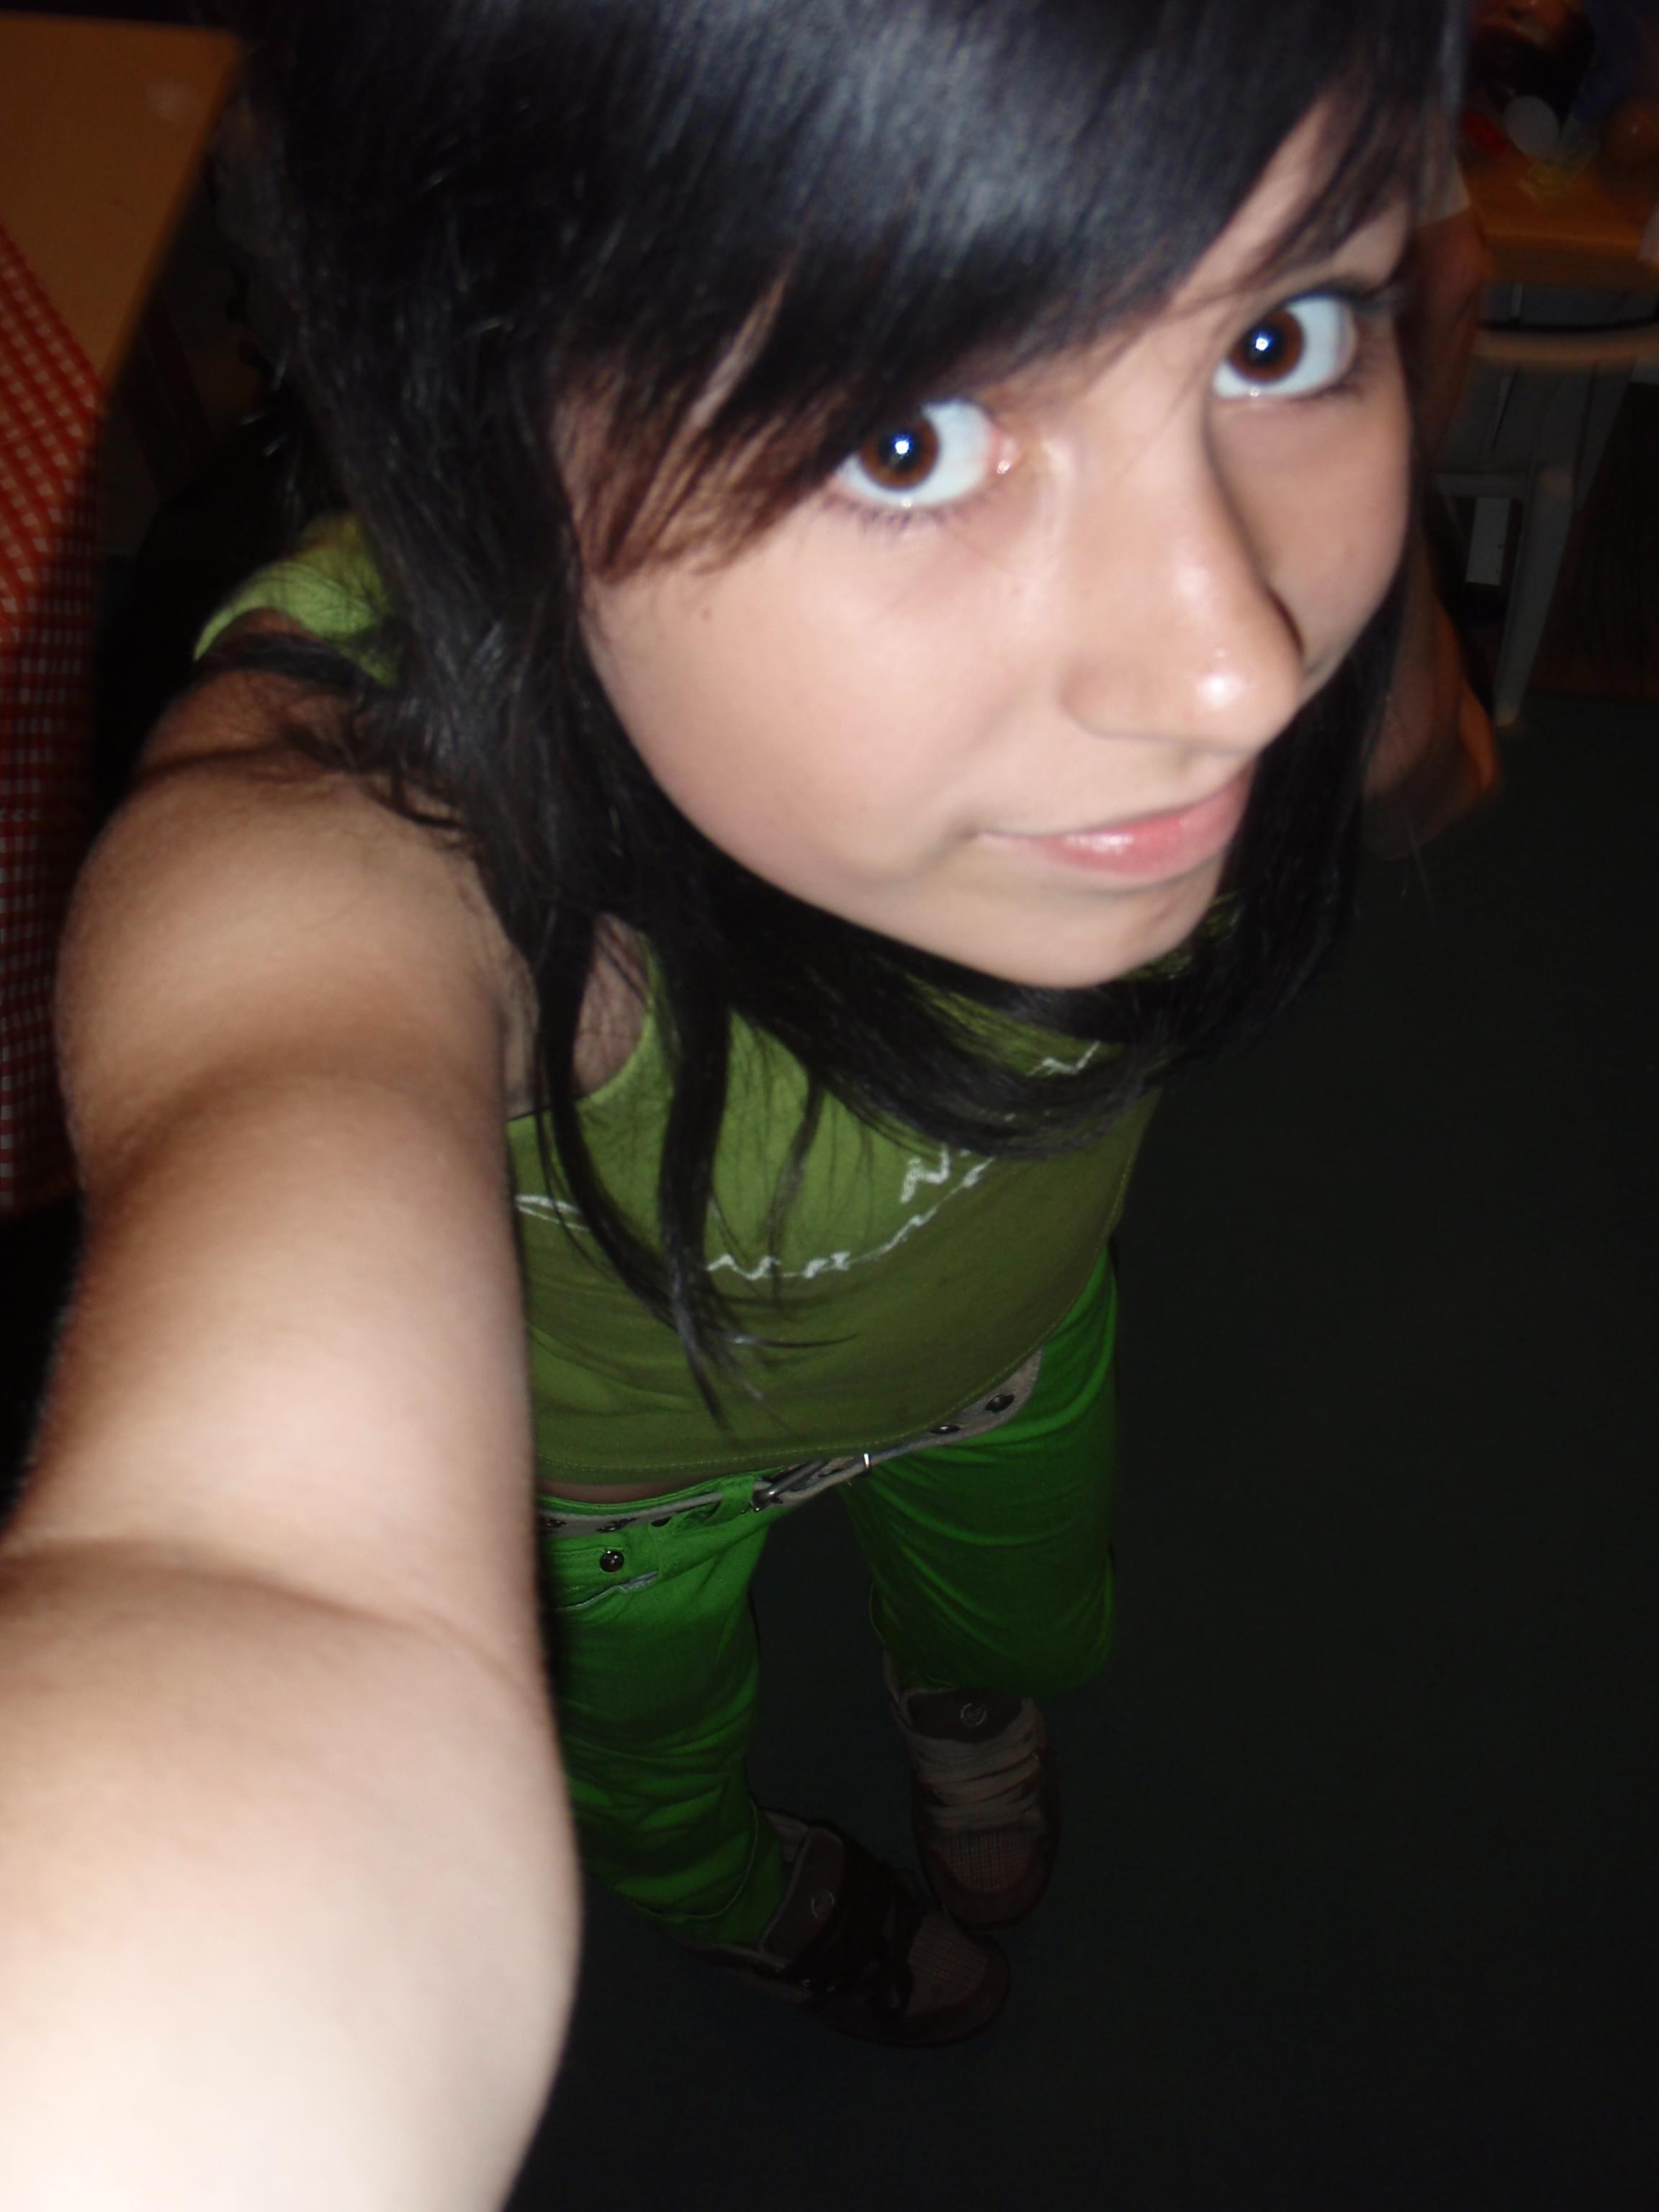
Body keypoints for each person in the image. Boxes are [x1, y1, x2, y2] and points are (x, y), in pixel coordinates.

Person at [0, 0, 1466, 2200]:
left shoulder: (1263, 613)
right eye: (910, 438)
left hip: (999, 1354)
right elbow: (241, 1569)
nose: (1230, 664)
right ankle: (747, 1898)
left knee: (1014, 1610)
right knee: (646, 1761)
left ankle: (966, 1723)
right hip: (613, 1495)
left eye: (1280, 335)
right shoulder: (362, 831)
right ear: (481, 397)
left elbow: (1405, 716)